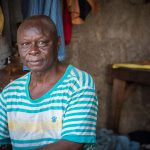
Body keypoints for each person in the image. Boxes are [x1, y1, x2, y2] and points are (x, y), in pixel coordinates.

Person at [0, 15, 98, 150]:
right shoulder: (10, 93)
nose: (33, 50)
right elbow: (3, 143)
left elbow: (71, 145)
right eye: (25, 44)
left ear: (58, 43)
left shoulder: (78, 84)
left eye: (42, 43)